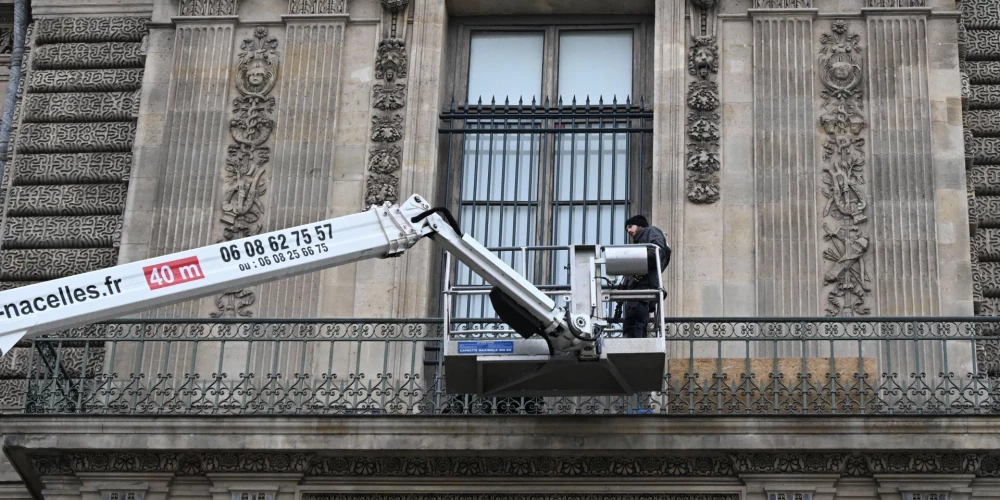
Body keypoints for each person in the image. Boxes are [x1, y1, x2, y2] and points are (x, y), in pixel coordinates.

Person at [617, 215, 670, 339]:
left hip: (643, 288)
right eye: (626, 229)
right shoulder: (641, 241)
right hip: (641, 289)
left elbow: (656, 252)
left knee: (634, 324)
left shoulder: (651, 231)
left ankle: (632, 352)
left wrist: (631, 256)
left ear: (640, 225)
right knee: (636, 323)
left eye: (630, 226)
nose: (628, 231)